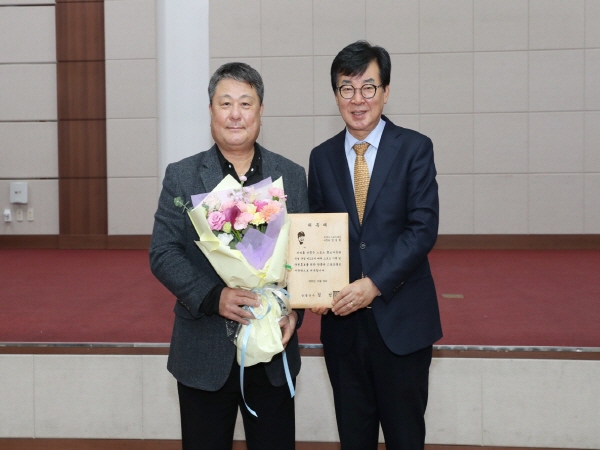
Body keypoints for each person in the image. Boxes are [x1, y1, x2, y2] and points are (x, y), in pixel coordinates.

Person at [150, 62, 308, 450]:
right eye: (225, 103)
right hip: (204, 352)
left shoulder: (291, 175)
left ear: (260, 111)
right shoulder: (182, 176)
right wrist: (213, 296)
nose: (235, 114)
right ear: (210, 112)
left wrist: (294, 311)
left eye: (245, 103)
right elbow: (163, 252)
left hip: (272, 351)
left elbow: (302, 255)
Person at [308, 41, 443, 450]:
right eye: (346, 88)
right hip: (343, 327)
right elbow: (316, 233)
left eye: (368, 87)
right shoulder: (321, 157)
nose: (358, 99)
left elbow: (423, 228)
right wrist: (313, 287)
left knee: (405, 437)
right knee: (354, 436)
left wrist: (375, 284)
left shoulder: (415, 148)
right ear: (335, 95)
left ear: (385, 91)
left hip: (400, 319)